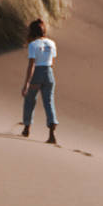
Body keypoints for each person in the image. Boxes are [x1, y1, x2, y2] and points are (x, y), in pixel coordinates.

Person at [21, 16, 59, 145]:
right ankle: (52, 130)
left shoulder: (33, 45)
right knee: (48, 102)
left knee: (30, 100)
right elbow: (52, 62)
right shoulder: (52, 43)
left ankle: (27, 127)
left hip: (37, 73)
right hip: (49, 73)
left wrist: (26, 83)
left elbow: (31, 64)